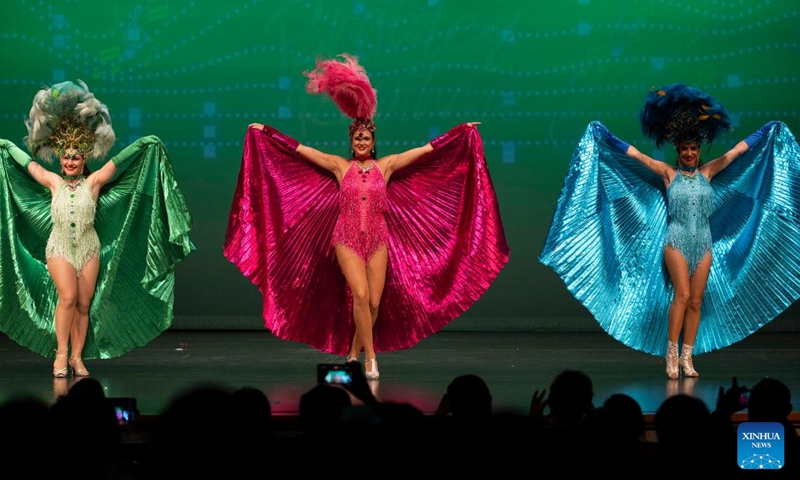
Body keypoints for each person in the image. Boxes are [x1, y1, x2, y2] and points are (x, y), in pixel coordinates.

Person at [224, 54, 509, 380]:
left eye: (366, 138)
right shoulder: (338, 166)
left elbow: (427, 150)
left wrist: (459, 132)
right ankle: (370, 359)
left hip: (377, 239)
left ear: (373, 143)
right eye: (357, 138)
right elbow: (301, 150)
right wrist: (267, 133)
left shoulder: (385, 167)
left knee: (373, 304)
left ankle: (350, 356)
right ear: (351, 141)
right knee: (359, 296)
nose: (361, 141)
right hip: (346, 238)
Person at [540, 83, 800, 378]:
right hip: (676, 241)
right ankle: (671, 354)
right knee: (682, 295)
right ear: (678, 150)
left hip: (703, 244)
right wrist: (605, 135)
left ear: (699, 150)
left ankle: (688, 358)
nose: (689, 153)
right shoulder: (668, 173)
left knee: (697, 300)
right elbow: (636, 155)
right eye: (685, 149)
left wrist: (767, 130)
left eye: (693, 149)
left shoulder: (709, 172)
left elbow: (739, 151)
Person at [0, 80, 195, 376]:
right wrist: (6, 146)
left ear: (83, 158)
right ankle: (60, 355)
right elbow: (30, 164)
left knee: (83, 304)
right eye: (65, 156)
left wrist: (145, 143)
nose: (69, 161)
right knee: (67, 297)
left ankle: (77, 358)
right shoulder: (54, 184)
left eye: (75, 157)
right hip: (60, 248)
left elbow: (118, 162)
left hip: (89, 248)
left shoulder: (93, 183)